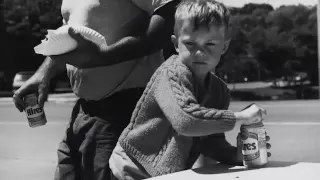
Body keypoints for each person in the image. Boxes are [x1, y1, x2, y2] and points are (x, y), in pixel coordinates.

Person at [12, 0, 180, 179]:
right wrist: (43, 74)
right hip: (82, 114)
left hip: (124, 112)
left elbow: (170, 16)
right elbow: (67, 38)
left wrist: (104, 55)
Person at [109, 0, 271, 179]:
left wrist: (236, 155)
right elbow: (186, 121)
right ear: (176, 44)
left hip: (166, 173)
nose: (200, 53)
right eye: (190, 44)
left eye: (210, 44)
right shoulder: (172, 73)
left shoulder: (219, 90)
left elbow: (210, 142)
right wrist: (241, 117)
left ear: (224, 46)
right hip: (132, 166)